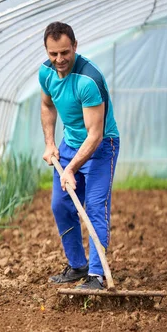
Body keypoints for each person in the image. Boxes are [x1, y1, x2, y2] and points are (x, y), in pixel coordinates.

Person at [39, 21, 120, 290]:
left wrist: (71, 167)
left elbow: (95, 135)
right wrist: (50, 143)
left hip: (100, 147)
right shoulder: (46, 73)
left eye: (65, 52)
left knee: (95, 207)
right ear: (47, 52)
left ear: (75, 46)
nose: (59, 59)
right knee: (61, 205)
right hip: (69, 145)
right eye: (53, 54)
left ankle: (96, 275)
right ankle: (77, 266)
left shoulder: (88, 80)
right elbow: (47, 105)